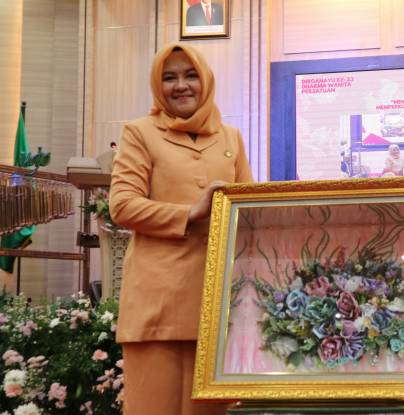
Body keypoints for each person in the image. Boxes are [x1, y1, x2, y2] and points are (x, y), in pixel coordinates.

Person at [109, 42, 252, 415]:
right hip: (158, 303)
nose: (181, 85)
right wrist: (190, 212)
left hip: (218, 301)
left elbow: (248, 213)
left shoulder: (231, 138)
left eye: (191, 75)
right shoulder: (140, 132)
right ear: (158, 86)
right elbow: (122, 205)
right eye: (169, 78)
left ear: (206, 80)